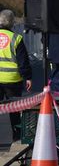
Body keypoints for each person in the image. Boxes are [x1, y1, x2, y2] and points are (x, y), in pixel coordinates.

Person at [0, 9, 32, 141]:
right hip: (12, 80)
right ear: (12, 22)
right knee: (14, 109)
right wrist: (28, 77)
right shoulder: (16, 38)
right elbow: (22, 61)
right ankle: (17, 136)